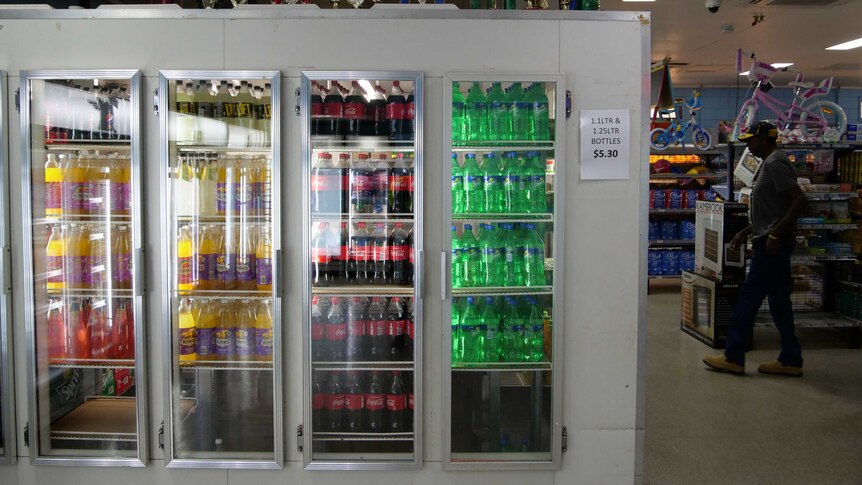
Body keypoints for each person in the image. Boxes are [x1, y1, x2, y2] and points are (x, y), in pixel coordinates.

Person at [703, 121, 807, 377]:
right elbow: (773, 209)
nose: (748, 145)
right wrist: (745, 231)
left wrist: (775, 234)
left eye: (751, 140)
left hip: (772, 245)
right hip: (768, 239)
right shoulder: (769, 162)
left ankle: (733, 356)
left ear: (764, 140)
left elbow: (798, 201)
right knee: (779, 300)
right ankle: (791, 358)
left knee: (749, 297)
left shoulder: (775, 163)